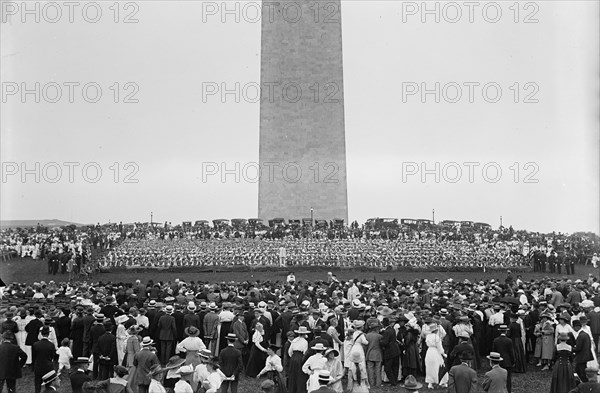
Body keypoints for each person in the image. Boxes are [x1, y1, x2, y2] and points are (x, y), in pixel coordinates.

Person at [32, 326, 56, 393]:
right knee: (48, 385)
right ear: (48, 334)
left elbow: (34, 356)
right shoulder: (51, 345)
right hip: (48, 366)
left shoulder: (35, 344)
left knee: (37, 385)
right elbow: (52, 356)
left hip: (38, 366)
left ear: (41, 334)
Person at [491, 325, 514, 393]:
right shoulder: (509, 340)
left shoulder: (496, 340)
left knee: (498, 378)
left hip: (498, 361)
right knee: (508, 379)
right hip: (507, 362)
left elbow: (493, 351)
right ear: (506, 331)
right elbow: (511, 352)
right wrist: (513, 361)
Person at [424, 324, 447, 389]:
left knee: (429, 368)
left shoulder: (428, 336)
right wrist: (443, 353)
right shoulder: (436, 337)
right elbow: (439, 347)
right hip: (435, 352)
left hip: (429, 352)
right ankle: (442, 382)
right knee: (439, 366)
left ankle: (430, 383)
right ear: (436, 330)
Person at [379, 317, 400, 386]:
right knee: (395, 367)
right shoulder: (392, 329)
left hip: (389, 351)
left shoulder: (386, 332)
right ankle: (395, 380)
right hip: (396, 350)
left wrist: (380, 341)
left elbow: (385, 342)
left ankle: (392, 382)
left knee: (387, 368)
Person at [288, 326, 309, 393]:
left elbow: (289, 352)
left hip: (293, 357)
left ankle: (292, 389)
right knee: (300, 375)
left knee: (292, 374)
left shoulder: (294, 340)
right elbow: (305, 352)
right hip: (300, 357)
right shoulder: (305, 342)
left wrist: (293, 357)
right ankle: (299, 390)